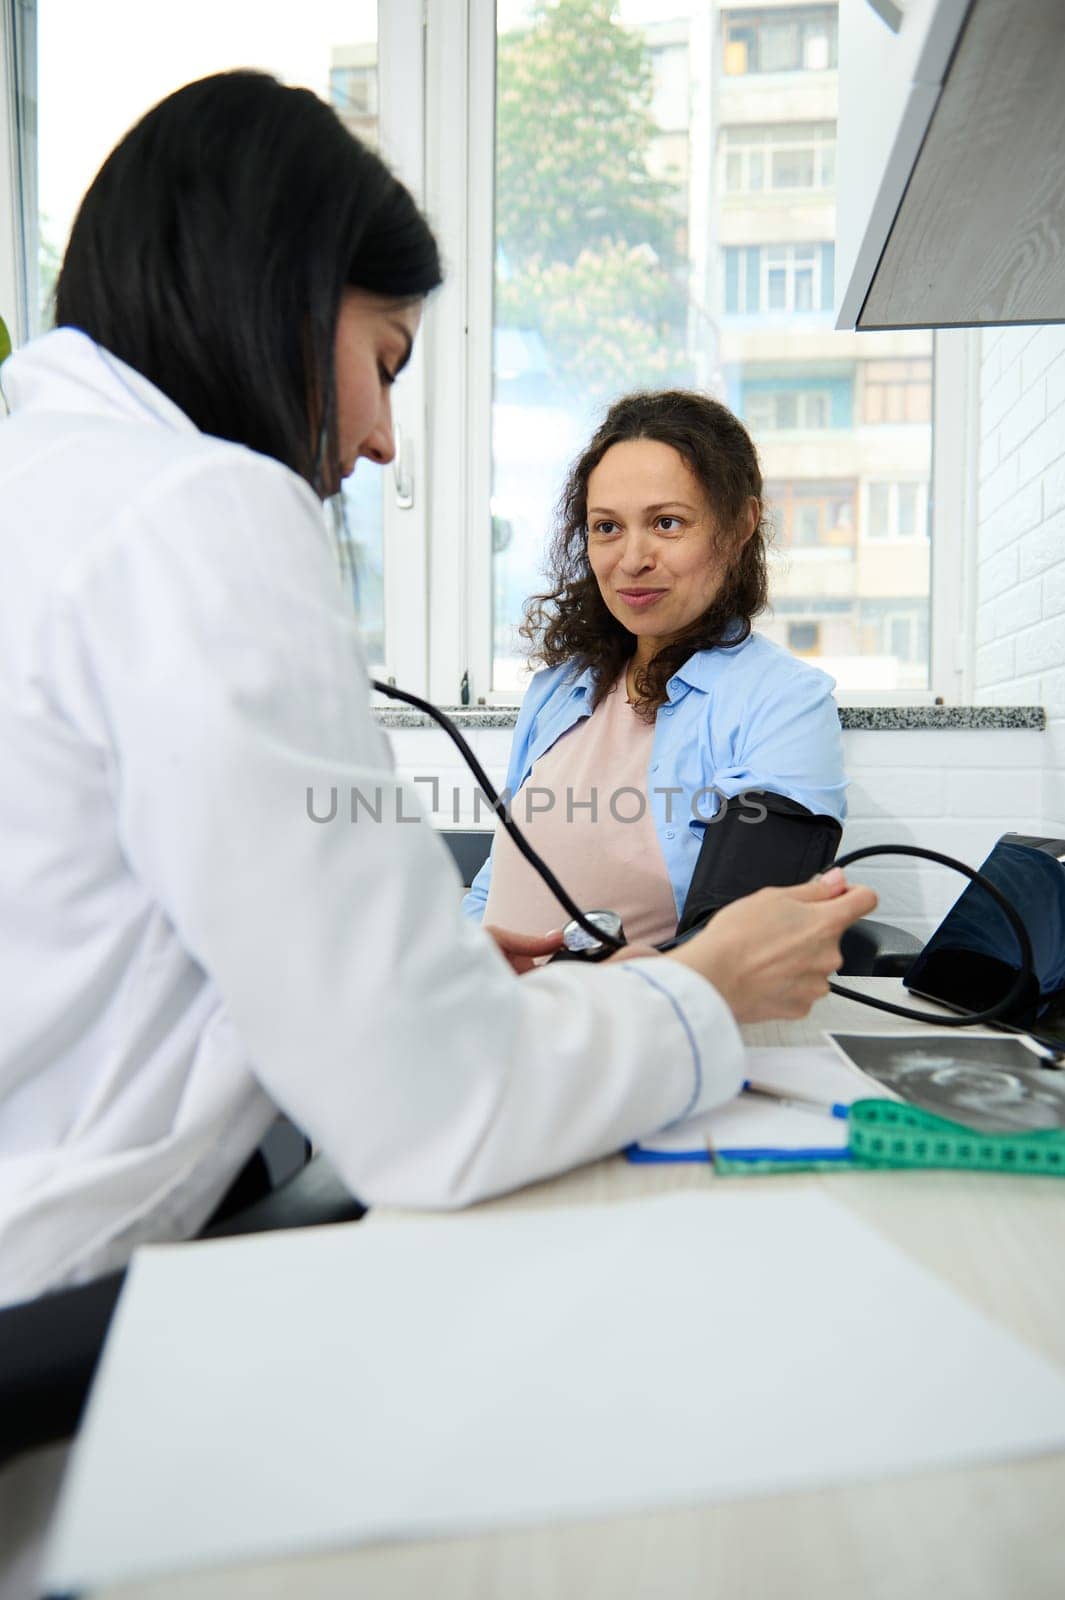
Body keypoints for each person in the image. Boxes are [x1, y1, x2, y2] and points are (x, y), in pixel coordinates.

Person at [0, 71, 876, 1309]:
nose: (382, 439)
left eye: (668, 523)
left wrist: (445, 978)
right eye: (387, 360)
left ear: (736, 534)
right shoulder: (203, 511)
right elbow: (438, 1102)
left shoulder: (45, 485)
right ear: (286, 304)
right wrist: (693, 994)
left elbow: (136, 931)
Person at [463, 391, 846, 945]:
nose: (632, 559)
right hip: (501, 1015)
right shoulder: (560, 690)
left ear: (739, 526)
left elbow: (731, 944)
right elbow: (496, 883)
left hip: (640, 1022)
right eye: (607, 527)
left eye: (667, 523)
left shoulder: (783, 703)